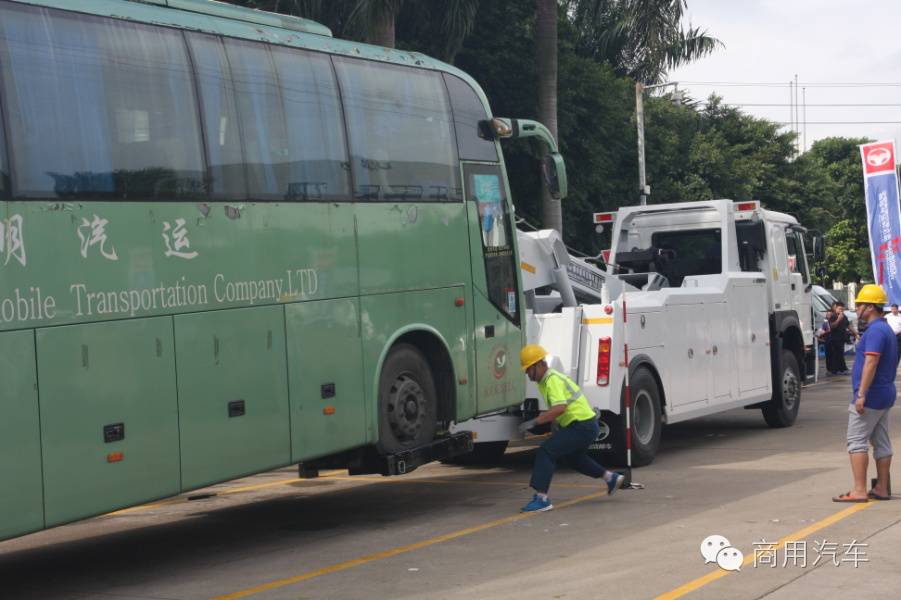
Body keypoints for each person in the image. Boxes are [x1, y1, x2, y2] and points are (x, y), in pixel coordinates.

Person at [518, 344, 624, 512]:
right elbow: (559, 409)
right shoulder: (546, 380)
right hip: (586, 425)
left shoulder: (551, 380)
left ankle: (542, 499)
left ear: (539, 364)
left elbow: (560, 408)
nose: (527, 374)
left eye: (529, 369)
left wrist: (535, 422)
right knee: (573, 458)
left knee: (546, 451)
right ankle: (610, 477)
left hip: (582, 425)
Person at [833, 285, 896, 503]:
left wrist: (861, 394)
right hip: (884, 394)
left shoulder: (876, 331)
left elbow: (872, 360)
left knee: (856, 441)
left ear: (870, 307)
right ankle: (882, 488)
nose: (857, 308)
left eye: (860, 304)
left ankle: (859, 490)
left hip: (871, 396)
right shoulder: (885, 328)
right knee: (881, 442)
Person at [826, 302, 856, 375]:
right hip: (834, 338)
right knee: (835, 354)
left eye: (842, 309)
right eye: (839, 309)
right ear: (835, 308)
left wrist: (856, 333)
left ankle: (840, 369)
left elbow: (848, 325)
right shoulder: (833, 316)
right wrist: (838, 319)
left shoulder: (844, 316)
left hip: (841, 338)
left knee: (840, 354)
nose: (841, 311)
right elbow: (832, 326)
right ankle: (835, 370)